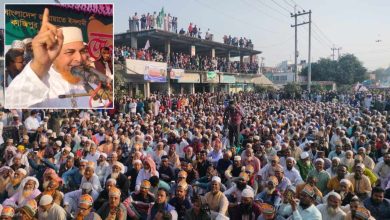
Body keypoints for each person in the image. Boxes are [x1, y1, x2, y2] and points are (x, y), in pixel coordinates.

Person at [5, 8, 109, 108]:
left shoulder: (92, 80)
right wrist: (39, 65)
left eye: (82, 51)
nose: (79, 58)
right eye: (69, 52)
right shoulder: (41, 81)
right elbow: (13, 102)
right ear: (54, 56)